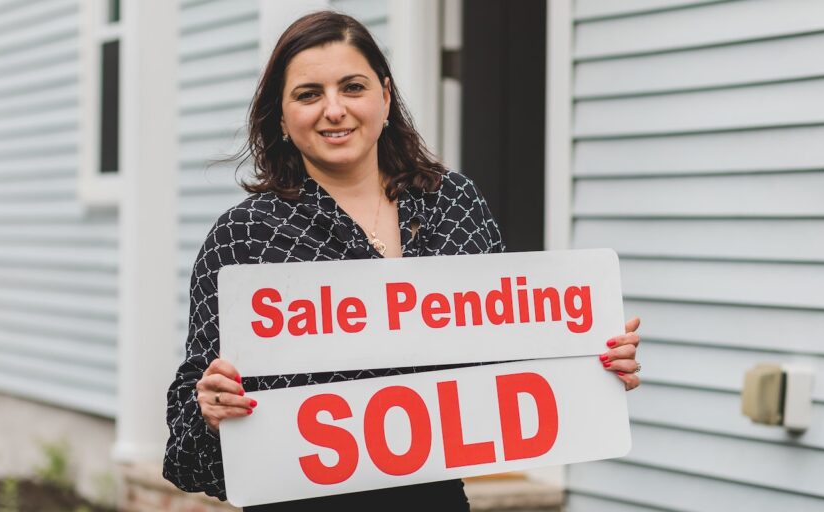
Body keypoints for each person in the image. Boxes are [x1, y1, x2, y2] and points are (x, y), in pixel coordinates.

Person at [163, 11, 641, 511]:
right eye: (308, 95)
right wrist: (210, 409)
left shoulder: (453, 205)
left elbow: (514, 353)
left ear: (385, 97)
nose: (334, 110)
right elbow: (185, 449)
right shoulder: (244, 237)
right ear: (280, 118)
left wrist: (594, 364)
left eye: (353, 87)